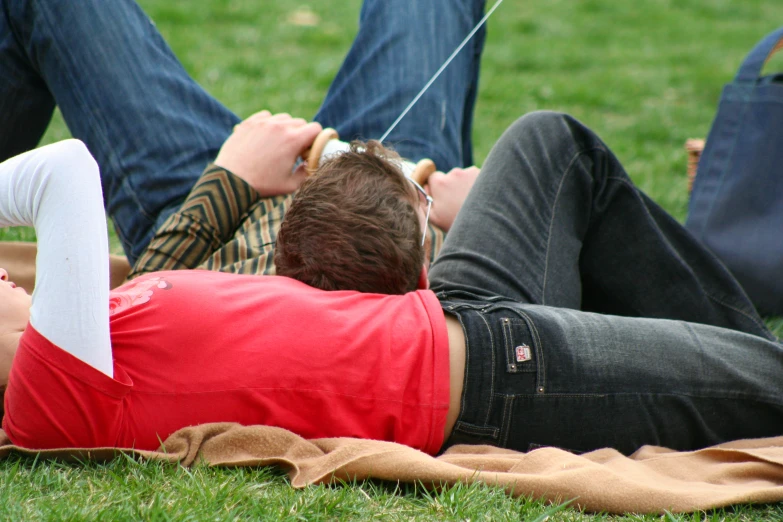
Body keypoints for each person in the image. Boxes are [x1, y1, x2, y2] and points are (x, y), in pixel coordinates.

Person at [3, 110, 783, 457]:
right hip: (500, 372)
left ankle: (720, 342)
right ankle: (725, 354)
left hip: (450, 307)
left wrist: (229, 186)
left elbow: (163, 306)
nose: (5, 271)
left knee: (551, 142)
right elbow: (64, 170)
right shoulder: (49, 384)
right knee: (767, 383)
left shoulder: (86, 353)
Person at [0, 0, 487, 279]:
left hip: (208, 214)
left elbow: (142, 309)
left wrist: (231, 178)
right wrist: (482, 230)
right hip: (404, 192)